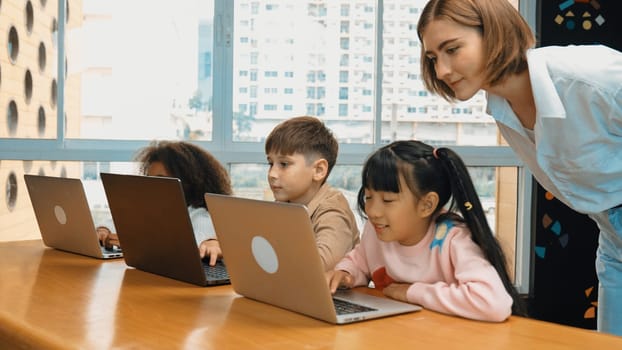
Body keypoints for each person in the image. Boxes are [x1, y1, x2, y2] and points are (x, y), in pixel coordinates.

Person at [416, 0, 622, 334]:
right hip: (613, 243)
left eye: (452, 49)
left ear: (494, 33)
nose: (441, 70)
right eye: (433, 58)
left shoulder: (588, 75)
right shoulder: (502, 108)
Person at [326, 140, 526, 322]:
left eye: (387, 200)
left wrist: (413, 292)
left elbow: (494, 303)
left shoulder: (454, 239)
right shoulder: (377, 230)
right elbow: (360, 261)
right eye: (368, 197)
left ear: (427, 205)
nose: (373, 211)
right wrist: (345, 273)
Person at [97, 140, 233, 266]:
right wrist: (104, 230)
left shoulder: (201, 215)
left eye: (161, 180)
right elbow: (121, 220)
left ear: (188, 182)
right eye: (149, 180)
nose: (152, 187)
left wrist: (136, 244)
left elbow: (190, 248)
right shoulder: (155, 209)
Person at [265, 116, 360, 271]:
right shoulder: (285, 203)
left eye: (284, 164)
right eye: (270, 163)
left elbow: (318, 266)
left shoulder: (333, 210)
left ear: (318, 170)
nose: (272, 174)